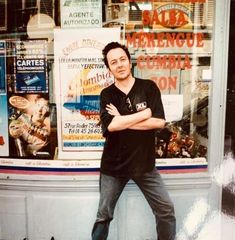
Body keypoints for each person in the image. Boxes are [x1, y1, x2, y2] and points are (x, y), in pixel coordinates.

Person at [91, 42, 176, 240]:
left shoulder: (148, 87)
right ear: (109, 68)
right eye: (113, 62)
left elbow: (159, 122)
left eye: (122, 59)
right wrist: (144, 113)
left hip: (144, 164)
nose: (119, 64)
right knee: (104, 215)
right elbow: (111, 126)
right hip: (114, 166)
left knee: (166, 210)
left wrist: (122, 118)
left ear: (129, 61)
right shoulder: (107, 94)